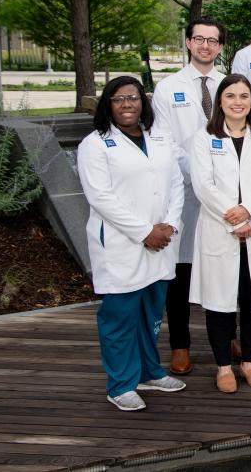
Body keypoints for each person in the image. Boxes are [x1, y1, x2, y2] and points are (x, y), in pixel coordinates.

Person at [78, 76, 186, 411]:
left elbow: (176, 183)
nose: (127, 104)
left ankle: (149, 372)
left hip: (161, 240)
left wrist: (168, 225)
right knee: (120, 316)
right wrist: (144, 231)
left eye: (134, 97)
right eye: (118, 99)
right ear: (107, 105)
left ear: (143, 102)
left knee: (151, 313)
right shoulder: (94, 145)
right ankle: (121, 384)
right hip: (122, 244)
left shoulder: (159, 139)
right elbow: (101, 198)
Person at [188, 74, 251, 393]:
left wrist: (248, 210)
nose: (237, 102)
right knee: (220, 302)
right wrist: (234, 218)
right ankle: (223, 367)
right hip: (220, 229)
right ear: (220, 101)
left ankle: (250, 362)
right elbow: (203, 185)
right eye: (230, 96)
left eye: (244, 96)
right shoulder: (204, 137)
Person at [152, 17, 227, 376]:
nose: (205, 46)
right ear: (187, 42)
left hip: (223, 193)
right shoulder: (168, 89)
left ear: (220, 47)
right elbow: (165, 142)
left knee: (222, 269)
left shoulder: (228, 85)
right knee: (180, 274)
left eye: (213, 41)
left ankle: (226, 339)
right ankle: (180, 344)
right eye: (199, 39)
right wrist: (199, 176)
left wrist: (219, 182)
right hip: (183, 191)